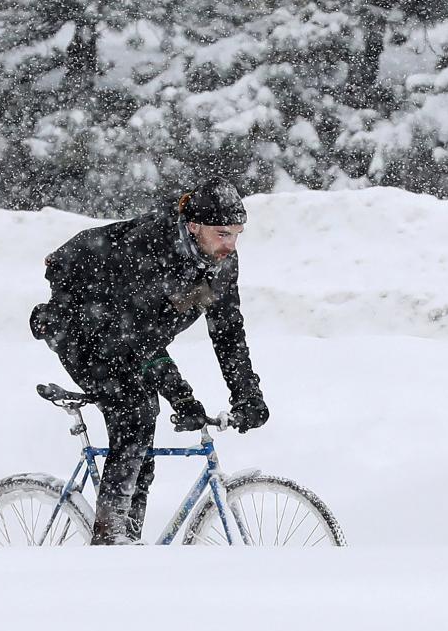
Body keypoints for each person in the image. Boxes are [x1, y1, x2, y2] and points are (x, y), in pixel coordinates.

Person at [29, 177, 270, 545]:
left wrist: (247, 394)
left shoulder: (221, 263)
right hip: (81, 320)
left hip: (129, 333)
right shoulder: (152, 249)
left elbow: (227, 332)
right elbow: (137, 338)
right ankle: (110, 539)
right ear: (194, 226)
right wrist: (183, 397)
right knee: (135, 409)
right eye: (223, 234)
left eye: (237, 234)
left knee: (141, 434)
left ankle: (130, 544)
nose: (231, 245)